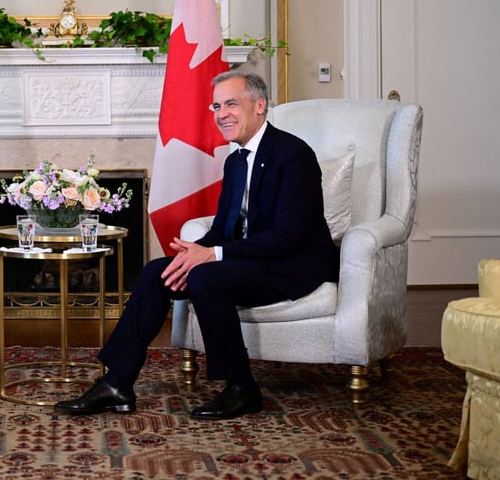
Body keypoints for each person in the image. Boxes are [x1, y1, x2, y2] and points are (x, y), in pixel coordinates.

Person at [55, 70, 338, 420]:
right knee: (160, 271)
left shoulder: (294, 155)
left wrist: (212, 255)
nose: (221, 114)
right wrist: (194, 252)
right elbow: (223, 229)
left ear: (260, 106)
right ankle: (117, 383)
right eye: (216, 106)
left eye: (231, 103)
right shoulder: (236, 161)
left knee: (207, 278)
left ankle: (241, 387)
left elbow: (286, 238)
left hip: (293, 265)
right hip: (252, 261)